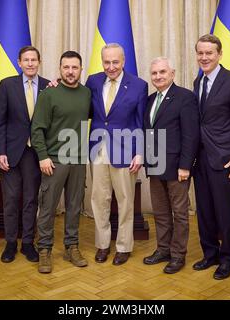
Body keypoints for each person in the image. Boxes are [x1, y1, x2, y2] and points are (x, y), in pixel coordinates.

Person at [192, 34, 230, 280]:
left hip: (226, 160)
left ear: (219, 54)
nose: (204, 57)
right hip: (201, 159)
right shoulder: (198, 82)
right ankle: (210, 254)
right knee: (205, 211)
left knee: (226, 213)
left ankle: (227, 259)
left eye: (209, 53)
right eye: (200, 53)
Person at [86, 43, 148, 266]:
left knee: (125, 201)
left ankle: (123, 246)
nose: (110, 67)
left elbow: (141, 122)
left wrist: (139, 153)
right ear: (102, 62)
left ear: (123, 61)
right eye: (106, 62)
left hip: (125, 151)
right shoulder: (93, 81)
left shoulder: (139, 85)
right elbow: (82, 106)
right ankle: (102, 244)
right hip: (98, 149)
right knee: (99, 199)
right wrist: (57, 84)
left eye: (115, 62)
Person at [31, 51, 91, 274]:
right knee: (47, 206)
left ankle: (71, 246)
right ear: (59, 69)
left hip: (78, 160)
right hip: (54, 160)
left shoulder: (87, 94)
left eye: (75, 67)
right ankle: (44, 249)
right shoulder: (49, 94)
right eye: (66, 67)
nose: (70, 72)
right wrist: (42, 156)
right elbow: (37, 128)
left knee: (75, 206)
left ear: (81, 69)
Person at [142, 57, 199, 274]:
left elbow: (190, 135)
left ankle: (178, 255)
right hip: (155, 164)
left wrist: (185, 166)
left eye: (162, 72)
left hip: (177, 166)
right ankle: (163, 249)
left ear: (172, 73)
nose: (158, 76)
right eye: (154, 73)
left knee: (180, 213)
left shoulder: (185, 98)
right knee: (161, 212)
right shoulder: (149, 100)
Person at [0, 46, 50, 263]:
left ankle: (27, 243)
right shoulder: (7, 85)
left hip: (35, 153)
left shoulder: (48, 86)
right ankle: (10, 243)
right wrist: (0, 152)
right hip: (11, 152)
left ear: (39, 62)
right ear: (19, 62)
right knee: (10, 200)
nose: (30, 63)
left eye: (33, 60)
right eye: (26, 60)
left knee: (30, 200)